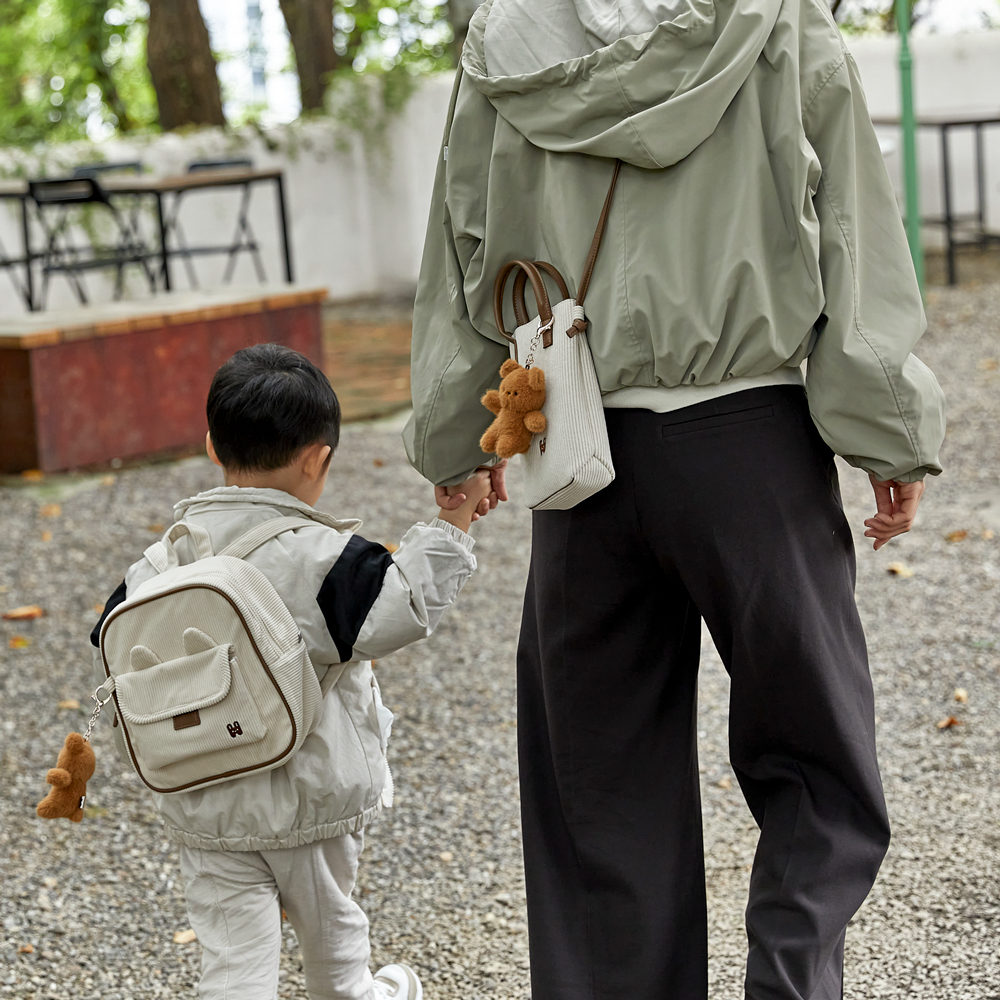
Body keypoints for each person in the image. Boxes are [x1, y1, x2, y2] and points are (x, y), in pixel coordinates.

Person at [404, 2, 946, 999]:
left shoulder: (503, 38)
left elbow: (462, 248)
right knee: (817, 767)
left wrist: (456, 433)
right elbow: (853, 226)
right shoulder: (773, 20)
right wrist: (885, 428)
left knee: (597, 799)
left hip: (580, 449)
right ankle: (791, 983)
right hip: (753, 450)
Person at [90, 344, 493, 1000]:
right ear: (319, 458)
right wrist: (453, 516)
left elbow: (111, 652)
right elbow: (405, 606)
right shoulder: (328, 560)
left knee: (233, 975)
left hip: (205, 805)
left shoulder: (158, 567)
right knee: (334, 955)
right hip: (309, 807)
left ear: (214, 448)